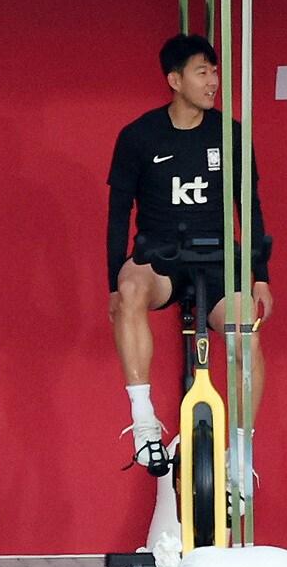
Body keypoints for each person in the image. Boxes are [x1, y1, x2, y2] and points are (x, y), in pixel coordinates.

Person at [107, 34, 273, 486]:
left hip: (218, 262)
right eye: (203, 72)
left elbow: (250, 208)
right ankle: (143, 420)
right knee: (130, 289)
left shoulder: (232, 133)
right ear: (175, 80)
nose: (213, 81)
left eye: (215, 72)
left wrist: (260, 276)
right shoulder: (139, 136)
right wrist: (112, 284)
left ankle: (240, 450)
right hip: (160, 260)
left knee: (247, 336)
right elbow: (119, 213)